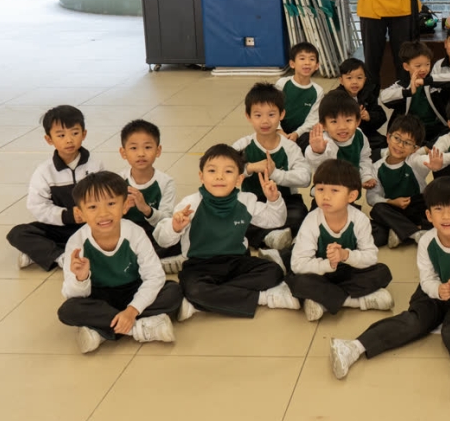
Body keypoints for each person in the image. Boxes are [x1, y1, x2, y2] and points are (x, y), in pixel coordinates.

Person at [330, 178, 450, 400]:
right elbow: (426, 279)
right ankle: (354, 347)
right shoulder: (426, 242)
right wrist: (438, 289)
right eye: (438, 209)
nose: (446, 216)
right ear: (429, 215)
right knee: (413, 321)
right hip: (433, 292)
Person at [154, 144, 299, 319]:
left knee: (273, 271)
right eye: (212, 171)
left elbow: (275, 220)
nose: (219, 176)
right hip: (200, 265)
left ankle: (205, 301)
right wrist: (174, 227)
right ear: (201, 177)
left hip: (237, 260)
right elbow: (163, 240)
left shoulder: (246, 200)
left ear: (239, 179)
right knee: (194, 289)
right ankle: (263, 297)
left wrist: (274, 200)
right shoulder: (190, 204)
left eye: (228, 171)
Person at [58, 172, 182, 353]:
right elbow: (73, 294)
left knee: (173, 291)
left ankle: (102, 331)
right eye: (92, 207)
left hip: (133, 290)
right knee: (68, 310)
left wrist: (132, 310)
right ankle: (139, 329)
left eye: (111, 204)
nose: (103, 213)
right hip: (99, 297)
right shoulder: (76, 242)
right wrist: (81, 278)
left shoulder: (135, 233)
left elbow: (154, 277)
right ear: (80, 213)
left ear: (125, 206)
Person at [288, 160, 394, 322]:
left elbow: (371, 257)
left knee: (382, 272)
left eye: (334, 190)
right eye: (320, 189)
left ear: (352, 196)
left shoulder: (359, 220)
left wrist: (345, 255)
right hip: (320, 273)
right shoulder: (312, 220)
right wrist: (328, 265)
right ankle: (355, 301)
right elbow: (298, 264)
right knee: (297, 281)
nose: (326, 196)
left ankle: (324, 301)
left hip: (349, 271)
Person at [9, 105, 106, 271]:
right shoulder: (44, 172)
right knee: (18, 233)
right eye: (61, 135)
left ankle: (40, 253)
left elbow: (107, 196)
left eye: (74, 133)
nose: (69, 140)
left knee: (127, 225)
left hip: (92, 226)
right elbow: (37, 206)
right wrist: (67, 215)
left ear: (84, 134)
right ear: (49, 139)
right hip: (61, 227)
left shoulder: (96, 166)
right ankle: (62, 257)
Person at [233, 83, 312, 262]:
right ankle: (271, 238)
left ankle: (270, 238)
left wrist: (276, 173)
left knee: (300, 215)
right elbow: (226, 172)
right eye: (258, 115)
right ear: (248, 116)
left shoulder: (290, 147)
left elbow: (306, 178)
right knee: (234, 218)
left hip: (286, 201)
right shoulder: (242, 145)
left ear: (281, 115)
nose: (265, 121)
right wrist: (249, 168)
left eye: (271, 114)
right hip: (253, 201)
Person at [117, 119, 182, 270]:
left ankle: (140, 263)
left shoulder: (166, 182)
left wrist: (146, 209)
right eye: (133, 148)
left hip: (153, 233)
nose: (141, 154)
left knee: (181, 234)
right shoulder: (118, 181)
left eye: (147, 147)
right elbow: (109, 216)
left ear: (158, 151)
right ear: (123, 153)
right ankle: (152, 263)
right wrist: (122, 210)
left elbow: (166, 220)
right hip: (126, 233)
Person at [300, 58, 387, 157]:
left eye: (359, 78)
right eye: (349, 78)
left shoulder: (368, 94)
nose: (354, 82)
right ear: (341, 80)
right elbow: (327, 120)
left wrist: (369, 116)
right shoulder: (335, 97)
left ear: (365, 79)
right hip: (337, 134)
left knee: (382, 141)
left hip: (361, 133)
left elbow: (381, 116)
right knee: (313, 142)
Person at [368, 116, 432, 248]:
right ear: (388, 137)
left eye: (407, 143)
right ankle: (415, 233)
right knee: (377, 210)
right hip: (394, 209)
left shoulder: (414, 161)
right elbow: (371, 197)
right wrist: (391, 202)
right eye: (397, 138)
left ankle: (400, 231)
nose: (400, 145)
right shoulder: (376, 167)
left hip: (416, 207)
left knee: (436, 204)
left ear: (415, 148)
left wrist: (440, 161)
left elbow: (431, 161)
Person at [380, 41, 450, 144]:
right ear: (406, 66)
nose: (424, 69)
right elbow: (384, 97)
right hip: (411, 129)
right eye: (418, 66)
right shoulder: (403, 84)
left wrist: (426, 81)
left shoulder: (433, 81)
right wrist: (408, 91)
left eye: (427, 64)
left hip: (435, 127)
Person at [305, 90, 377, 190]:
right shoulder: (324, 141)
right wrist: (317, 152)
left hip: (351, 189)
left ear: (357, 121)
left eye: (348, 120)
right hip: (327, 192)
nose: (342, 127)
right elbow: (316, 164)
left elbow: (364, 158)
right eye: (334, 121)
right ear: (324, 125)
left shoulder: (359, 135)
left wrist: (366, 176)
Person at [274, 42, 324, 141]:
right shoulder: (282, 84)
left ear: (317, 66)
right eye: (302, 58)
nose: (307, 62)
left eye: (312, 59)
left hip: (301, 134)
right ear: (292, 64)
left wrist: (297, 133)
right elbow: (272, 109)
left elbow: (313, 119)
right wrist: (278, 130)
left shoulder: (318, 91)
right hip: (277, 130)